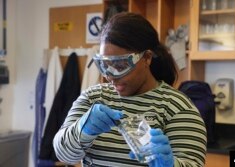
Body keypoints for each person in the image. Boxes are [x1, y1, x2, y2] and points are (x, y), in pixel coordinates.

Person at [53, 12, 207, 167]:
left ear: (146, 57)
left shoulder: (177, 107)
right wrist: (82, 130)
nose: (111, 77)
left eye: (120, 65)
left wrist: (172, 165)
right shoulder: (93, 98)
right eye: (105, 65)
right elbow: (63, 155)